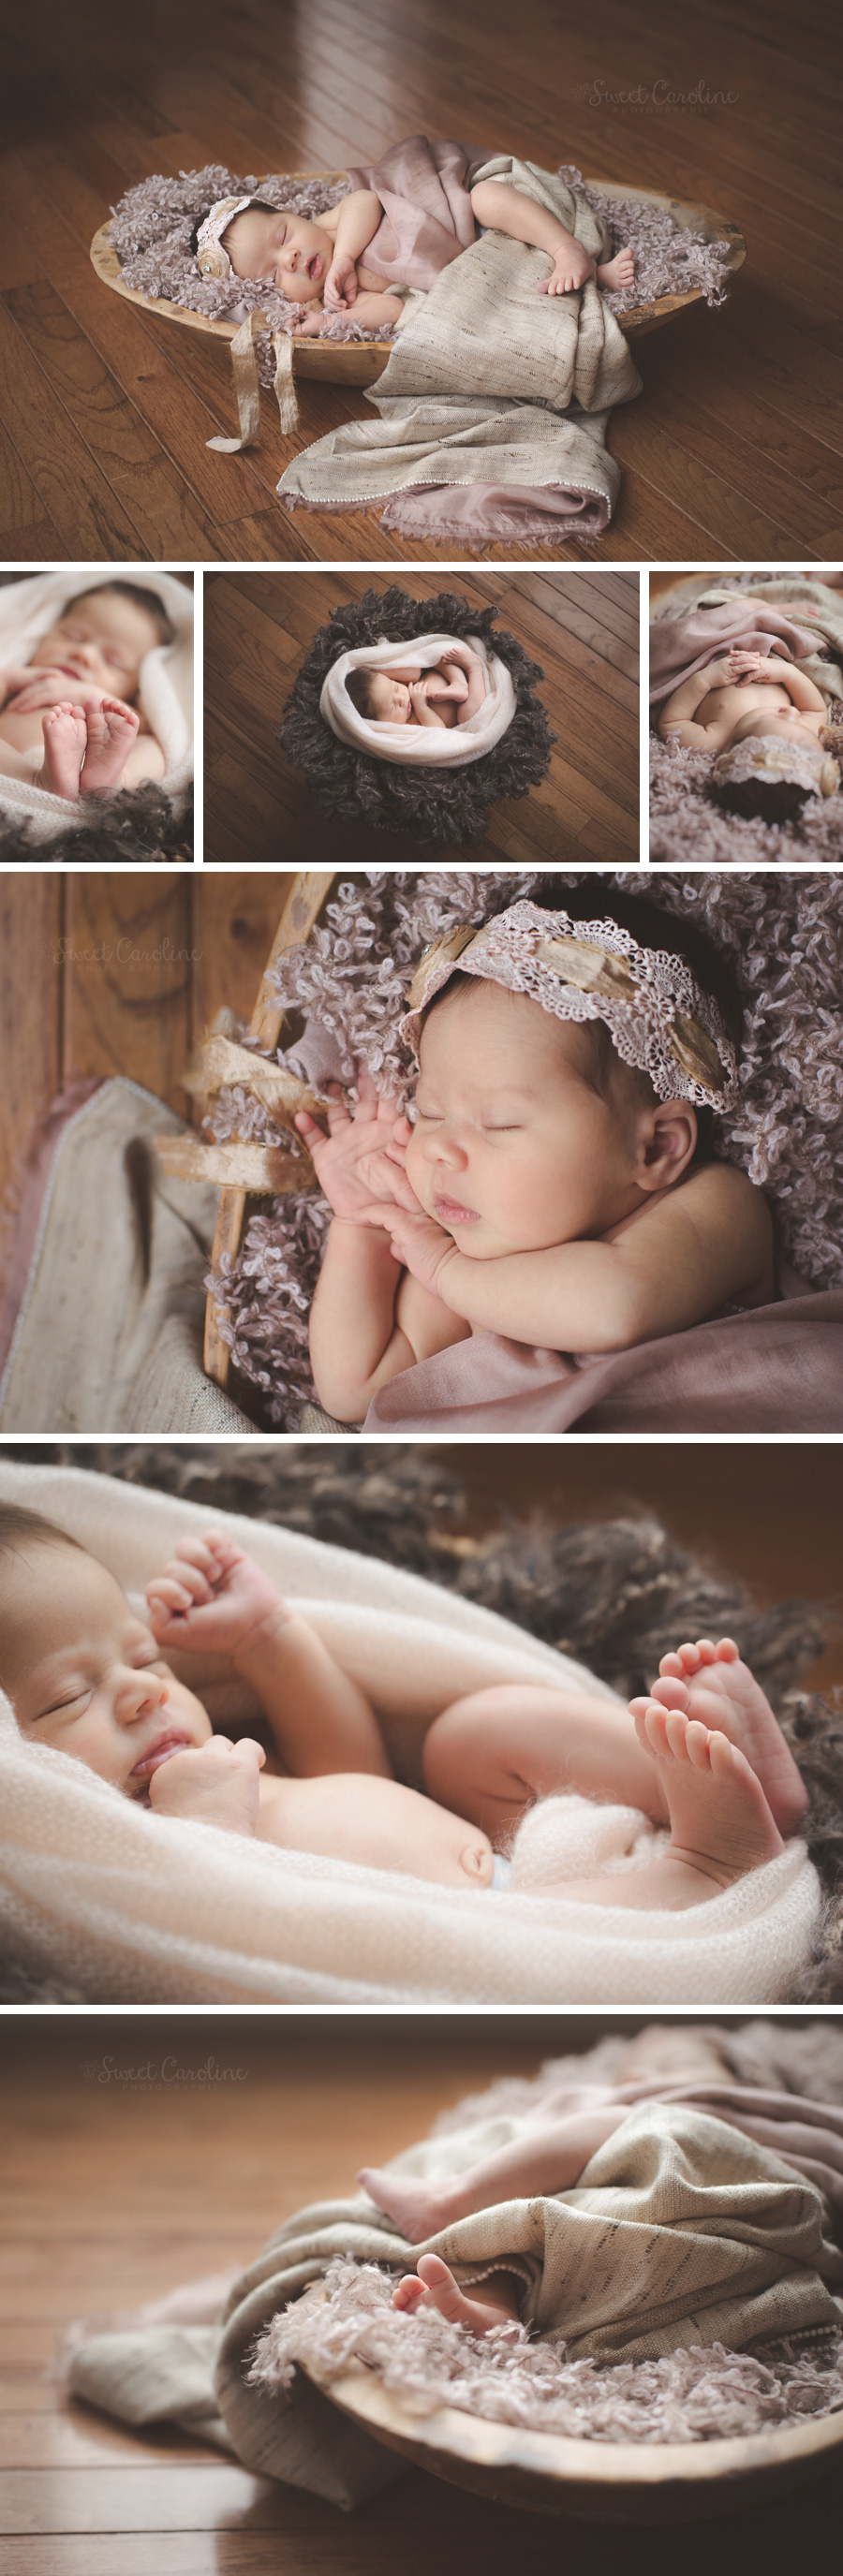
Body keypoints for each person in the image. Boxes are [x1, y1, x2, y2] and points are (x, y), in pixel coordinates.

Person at [0, 1504, 807, 1913]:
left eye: (142, 1657)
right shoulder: (138, 1852)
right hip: (500, 1926)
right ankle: (713, 1866)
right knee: (515, 1932)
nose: (141, 1687)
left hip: (522, 1846)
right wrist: (208, 1838)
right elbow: (229, 1929)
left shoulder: (239, 1762)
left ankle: (716, 1785)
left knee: (475, 1731)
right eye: (70, 1695)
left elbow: (354, 1772)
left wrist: (267, 1634)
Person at [296, 889, 773, 1425]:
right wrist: (361, 1225)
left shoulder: (711, 1205)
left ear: (657, 1147)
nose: (437, 1150)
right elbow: (354, 1389)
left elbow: (615, 1304)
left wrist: (446, 1269)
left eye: (499, 1122)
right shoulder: (472, 1256)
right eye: (429, 1112)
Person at [199, 181, 635, 339]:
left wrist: (346, 256)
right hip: (472, 271)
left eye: (283, 235)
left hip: (463, 225)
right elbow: (394, 309)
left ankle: (565, 247)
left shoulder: (331, 228)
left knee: (486, 196)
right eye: (275, 272)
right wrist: (330, 324)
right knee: (508, 297)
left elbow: (365, 199)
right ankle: (594, 279)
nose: (290, 257)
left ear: (291, 214)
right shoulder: (334, 300)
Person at [0, 583, 170, 802]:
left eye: (113, 661)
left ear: (136, 689)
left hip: (90, 772)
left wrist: (89, 695)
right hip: (14, 768)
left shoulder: (117, 715)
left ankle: (115, 782)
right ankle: (37, 781)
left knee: (154, 746)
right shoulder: (20, 685)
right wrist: (4, 679)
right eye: (72, 636)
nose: (84, 654)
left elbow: (148, 726)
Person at [657, 646, 833, 757]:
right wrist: (787, 672)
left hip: (708, 655)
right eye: (802, 724)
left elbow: (671, 722)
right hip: (770, 651)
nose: (793, 712)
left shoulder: (715, 743)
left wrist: (704, 680)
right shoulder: (807, 735)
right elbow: (816, 709)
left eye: (777, 716)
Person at [345, 641, 487, 731]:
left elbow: (415, 670)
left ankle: (459, 683)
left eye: (395, 688)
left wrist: (378, 670)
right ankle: (474, 669)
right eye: (392, 707)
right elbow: (438, 731)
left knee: (436, 656)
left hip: (450, 675)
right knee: (467, 716)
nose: (401, 698)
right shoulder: (406, 727)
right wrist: (421, 708)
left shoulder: (406, 685)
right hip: (462, 707)